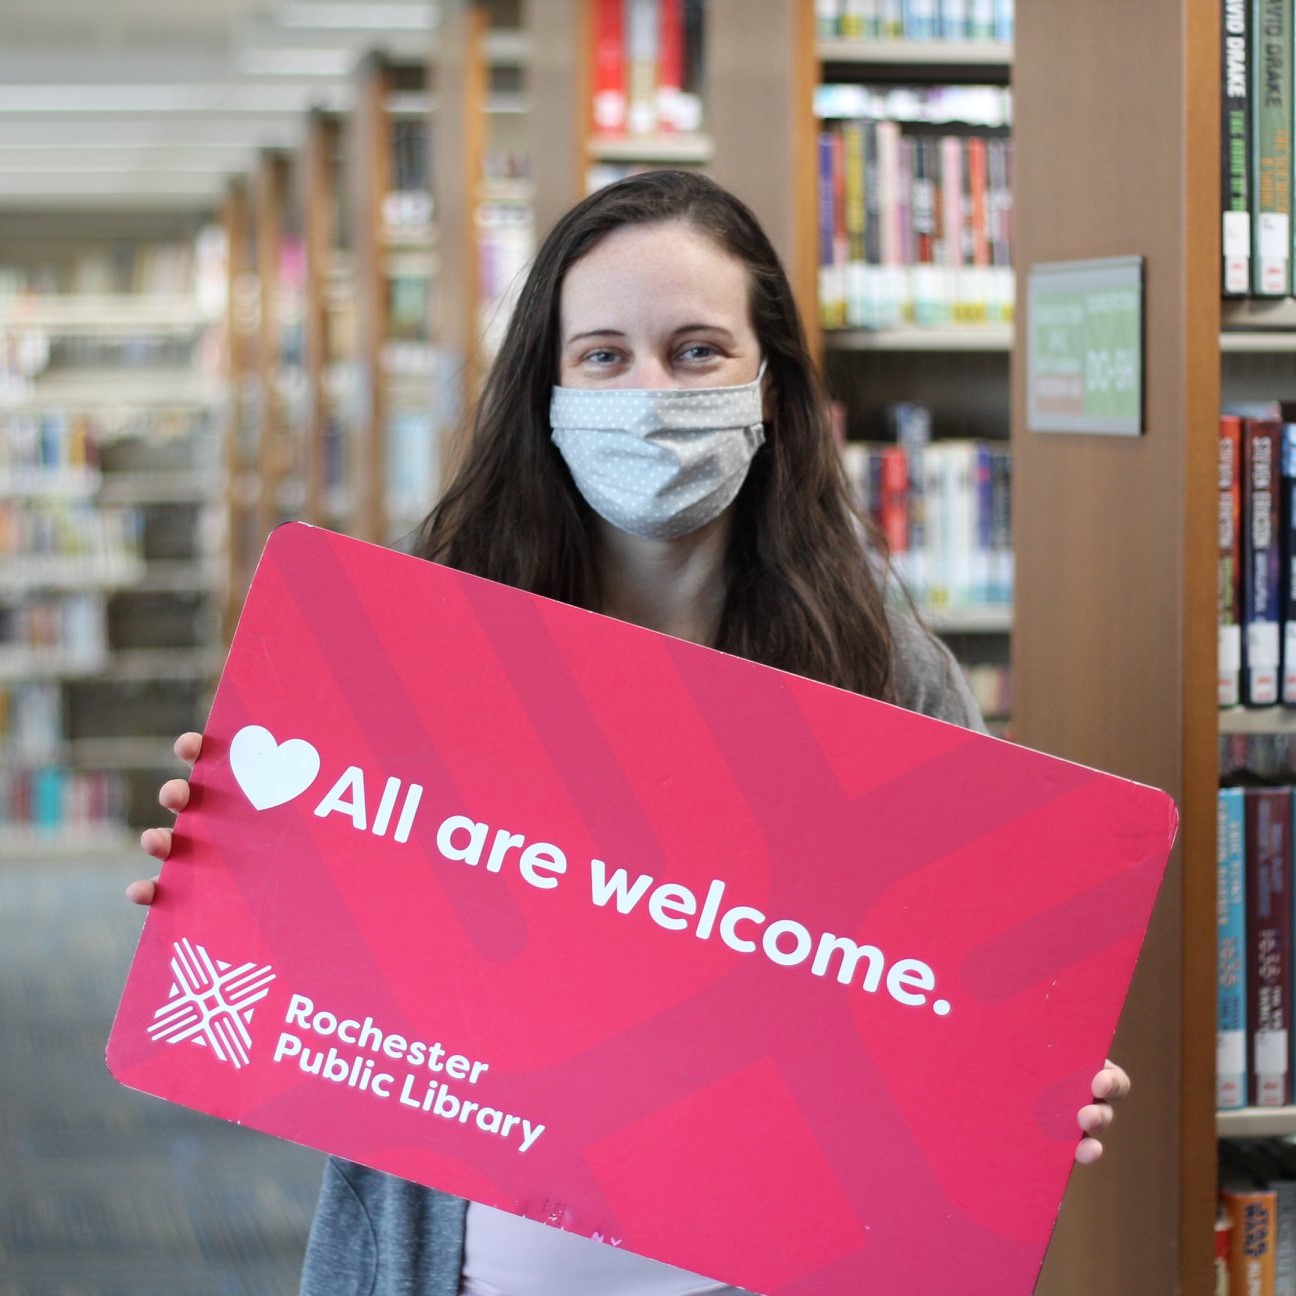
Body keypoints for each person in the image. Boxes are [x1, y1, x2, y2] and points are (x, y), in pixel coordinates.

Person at [129, 169, 1131, 1295]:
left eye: (697, 350)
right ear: (548, 389)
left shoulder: (886, 673)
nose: (649, 391)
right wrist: (239, 880)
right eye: (604, 355)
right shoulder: (424, 656)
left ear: (771, 386)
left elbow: (955, 993)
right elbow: (331, 991)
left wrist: (1024, 1076)